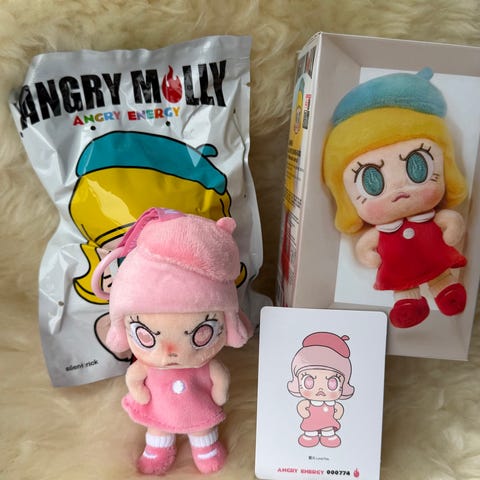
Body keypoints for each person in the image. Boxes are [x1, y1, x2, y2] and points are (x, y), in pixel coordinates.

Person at [92, 207, 251, 475]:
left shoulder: (206, 365)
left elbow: (220, 379)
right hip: (160, 411)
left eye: (202, 333)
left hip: (198, 410)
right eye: (145, 335)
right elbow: (134, 378)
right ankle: (158, 450)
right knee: (158, 429)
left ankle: (206, 448)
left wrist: (219, 393)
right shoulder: (146, 366)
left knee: (203, 430)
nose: (171, 350)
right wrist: (140, 393)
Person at [322, 68, 468, 328]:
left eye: (417, 167)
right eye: (372, 181)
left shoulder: (430, 215)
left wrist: (451, 226)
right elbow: (366, 248)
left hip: (436, 259)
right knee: (403, 284)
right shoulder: (380, 231)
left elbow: (451, 221)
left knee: (440, 275)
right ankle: (408, 304)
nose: (399, 188)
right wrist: (369, 255)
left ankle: (446, 290)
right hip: (400, 270)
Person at [287, 332, 355, 448]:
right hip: (311, 421)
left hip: (328, 422)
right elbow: (302, 407)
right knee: (310, 427)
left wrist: (338, 411)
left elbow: (338, 409)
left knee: (328, 428)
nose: (320, 389)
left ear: (343, 385)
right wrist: (303, 410)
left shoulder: (332, 403)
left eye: (332, 383)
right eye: (309, 381)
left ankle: (328, 435)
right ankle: (310, 435)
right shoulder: (309, 402)